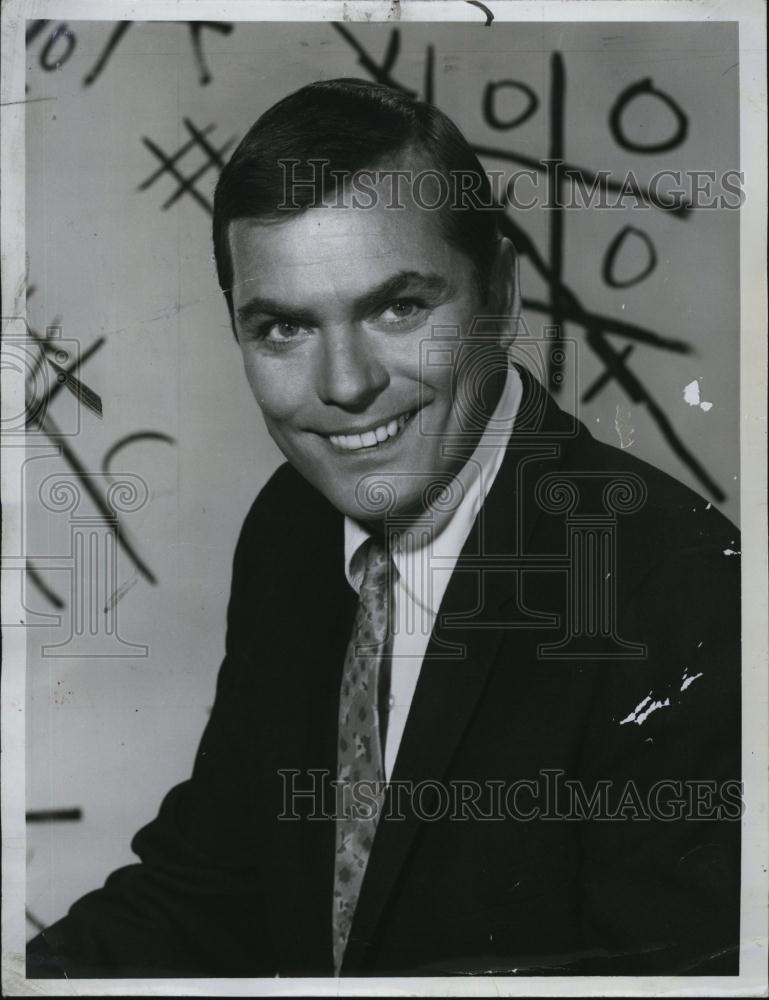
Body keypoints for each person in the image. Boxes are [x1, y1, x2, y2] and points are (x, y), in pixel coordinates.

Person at [27, 78, 741, 979]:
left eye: (397, 307)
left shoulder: (681, 598)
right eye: (284, 327)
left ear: (503, 298)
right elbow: (209, 886)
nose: (345, 385)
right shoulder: (291, 524)